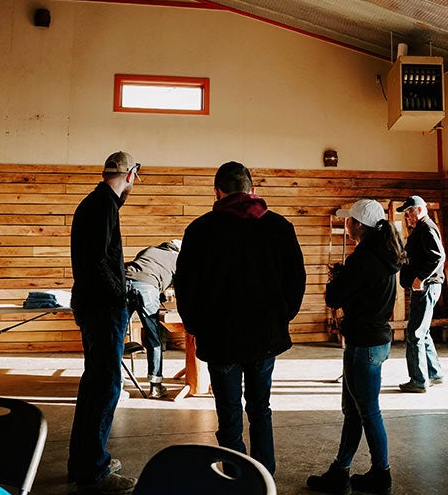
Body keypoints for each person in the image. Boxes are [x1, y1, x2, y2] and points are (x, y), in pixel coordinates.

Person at [174, 161, 305, 476]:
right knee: (260, 410)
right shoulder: (280, 227)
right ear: (252, 190)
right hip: (265, 335)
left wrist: (195, 327)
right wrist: (280, 318)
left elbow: (185, 285)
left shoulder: (200, 230)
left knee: (229, 415)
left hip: (220, 338)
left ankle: (236, 479)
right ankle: (264, 476)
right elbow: (296, 280)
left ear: (218, 192)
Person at [306, 200, 405, 495]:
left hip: (363, 343)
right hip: (377, 339)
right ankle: (340, 471)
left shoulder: (363, 257)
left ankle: (381, 474)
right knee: (355, 409)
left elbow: (334, 298)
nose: (346, 223)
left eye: (349, 220)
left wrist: (336, 277)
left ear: (358, 225)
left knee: (367, 411)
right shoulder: (386, 253)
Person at [67, 151, 141, 494]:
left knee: (95, 384)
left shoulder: (96, 204)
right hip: (102, 308)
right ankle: (93, 469)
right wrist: (121, 296)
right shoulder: (104, 206)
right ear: (129, 176)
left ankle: (84, 462)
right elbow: (98, 262)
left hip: (93, 304)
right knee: (105, 386)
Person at [396, 195, 446, 393]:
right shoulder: (421, 228)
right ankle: (434, 372)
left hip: (426, 286)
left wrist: (421, 278)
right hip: (427, 286)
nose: (407, 217)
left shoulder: (426, 228)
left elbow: (437, 256)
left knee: (414, 333)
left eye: (408, 212)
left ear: (418, 209)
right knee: (422, 331)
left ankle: (418, 380)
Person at [125, 240, 180, 399]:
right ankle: (155, 386)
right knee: (153, 336)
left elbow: (144, 273)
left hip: (124, 284)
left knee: (116, 335)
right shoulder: (177, 259)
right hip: (148, 289)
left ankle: (113, 381)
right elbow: (180, 287)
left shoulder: (148, 250)